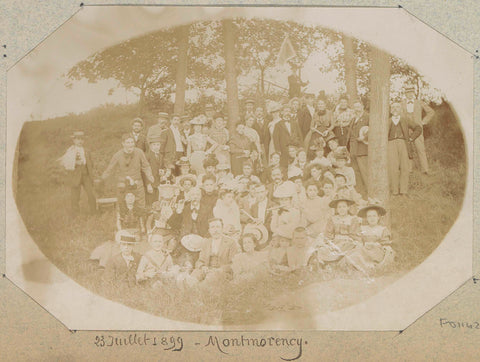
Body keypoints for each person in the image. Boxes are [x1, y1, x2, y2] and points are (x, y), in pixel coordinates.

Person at [102, 133, 154, 208]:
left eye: (132, 142)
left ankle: (140, 217)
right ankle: (123, 217)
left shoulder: (139, 152)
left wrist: (149, 175)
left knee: (141, 204)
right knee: (122, 204)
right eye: (128, 142)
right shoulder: (118, 155)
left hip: (137, 182)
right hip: (123, 183)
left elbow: (146, 166)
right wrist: (102, 179)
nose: (130, 145)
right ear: (123, 143)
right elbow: (110, 169)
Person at [347, 202, 395, 273]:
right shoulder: (362, 228)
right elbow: (359, 240)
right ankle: (365, 266)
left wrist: (376, 245)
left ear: (378, 217)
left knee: (375, 254)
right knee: (353, 255)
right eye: (369, 216)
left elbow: (385, 244)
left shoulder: (382, 229)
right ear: (366, 218)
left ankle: (371, 266)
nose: (372, 218)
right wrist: (361, 244)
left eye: (374, 216)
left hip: (376, 251)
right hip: (364, 250)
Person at [58, 130, 96, 216]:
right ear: (74, 140)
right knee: (75, 196)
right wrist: (74, 163)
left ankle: (94, 213)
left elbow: (91, 163)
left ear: (84, 140)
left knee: (91, 194)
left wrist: (90, 172)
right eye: (78, 139)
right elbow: (65, 163)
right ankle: (75, 215)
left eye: (82, 139)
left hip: (86, 175)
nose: (80, 141)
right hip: (75, 176)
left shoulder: (87, 151)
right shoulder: (70, 151)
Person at [387, 102, 422, 196]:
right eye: (393, 107)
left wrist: (411, 138)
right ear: (390, 110)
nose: (395, 109)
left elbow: (418, 128)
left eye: (397, 107)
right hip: (390, 144)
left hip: (404, 144)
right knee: (393, 168)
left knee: (404, 168)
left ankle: (403, 191)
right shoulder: (387, 121)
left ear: (401, 109)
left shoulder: (405, 120)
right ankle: (394, 191)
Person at [191, 218, 240, 283]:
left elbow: (233, 263)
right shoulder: (206, 242)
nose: (215, 230)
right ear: (209, 230)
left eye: (218, 227)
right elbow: (200, 261)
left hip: (222, 272)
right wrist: (203, 267)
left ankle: (202, 289)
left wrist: (220, 270)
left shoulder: (231, 243)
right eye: (212, 227)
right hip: (207, 269)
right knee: (194, 275)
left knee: (210, 278)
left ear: (222, 229)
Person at [316, 197, 360, 267]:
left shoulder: (352, 219)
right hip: (335, 242)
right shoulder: (333, 219)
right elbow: (328, 233)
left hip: (347, 242)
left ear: (348, 208)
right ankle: (329, 263)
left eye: (344, 206)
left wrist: (352, 241)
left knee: (353, 251)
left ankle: (341, 262)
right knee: (323, 250)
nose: (342, 209)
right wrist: (330, 242)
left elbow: (354, 234)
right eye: (339, 207)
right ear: (336, 209)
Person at [401, 85, 435, 174]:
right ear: (405, 94)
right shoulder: (402, 103)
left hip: (418, 129)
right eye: (408, 93)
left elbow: (431, 112)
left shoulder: (419, 102)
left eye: (411, 92)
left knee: (420, 148)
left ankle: (425, 169)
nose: (410, 94)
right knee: (408, 148)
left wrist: (423, 122)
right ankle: (409, 170)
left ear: (414, 93)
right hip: (406, 129)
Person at [346, 100, 369, 190]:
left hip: (362, 149)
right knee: (356, 172)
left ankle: (369, 191)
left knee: (365, 172)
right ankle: (360, 191)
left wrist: (364, 138)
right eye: (355, 107)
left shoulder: (367, 117)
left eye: (358, 106)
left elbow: (372, 130)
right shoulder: (353, 119)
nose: (357, 108)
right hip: (353, 148)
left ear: (362, 106)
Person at [144, 136, 163, 206]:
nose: (156, 147)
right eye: (154, 145)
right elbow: (145, 171)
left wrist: (162, 172)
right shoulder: (147, 156)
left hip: (158, 184)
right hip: (150, 184)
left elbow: (161, 167)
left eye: (158, 145)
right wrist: (148, 184)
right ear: (150, 146)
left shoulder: (160, 156)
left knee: (157, 203)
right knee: (149, 203)